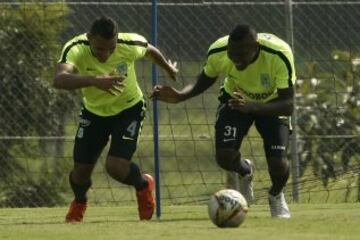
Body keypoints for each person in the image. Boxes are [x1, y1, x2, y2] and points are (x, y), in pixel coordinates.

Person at [151, 24, 295, 218]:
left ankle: (276, 196)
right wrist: (180, 96)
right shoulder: (219, 50)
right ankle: (245, 170)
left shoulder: (279, 55)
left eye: (242, 54)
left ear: (256, 47)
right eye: (232, 53)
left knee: (278, 164)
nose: (236, 59)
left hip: (273, 104)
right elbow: (205, 78)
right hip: (235, 99)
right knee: (224, 157)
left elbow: (288, 104)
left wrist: (252, 106)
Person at [54, 16, 177, 222]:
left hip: (128, 109)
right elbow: (59, 79)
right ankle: (80, 201)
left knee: (116, 167)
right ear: (89, 37)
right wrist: (94, 81)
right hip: (94, 113)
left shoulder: (129, 43)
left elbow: (150, 50)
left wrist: (168, 68)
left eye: (111, 49)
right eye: (100, 49)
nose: (106, 54)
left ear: (117, 40)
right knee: (80, 173)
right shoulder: (75, 47)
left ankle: (143, 185)